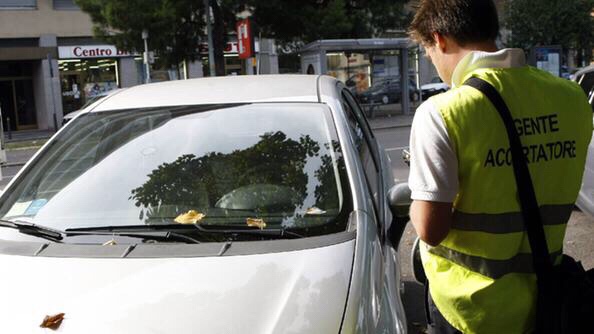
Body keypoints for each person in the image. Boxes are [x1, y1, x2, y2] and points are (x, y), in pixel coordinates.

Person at [407, 1, 593, 333]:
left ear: (440, 39)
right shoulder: (571, 97)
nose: (433, 63)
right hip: (549, 300)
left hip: (471, 310)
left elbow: (429, 230)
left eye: (428, 52)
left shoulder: (443, 112)